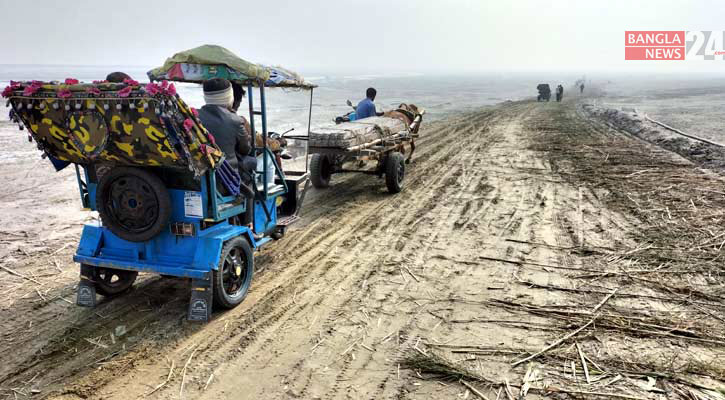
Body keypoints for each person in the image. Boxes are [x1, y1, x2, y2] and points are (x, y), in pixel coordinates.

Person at [197, 78, 256, 201]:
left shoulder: (193, 117)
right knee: (253, 161)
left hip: (199, 176)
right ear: (229, 97)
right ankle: (247, 219)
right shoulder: (235, 120)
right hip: (225, 180)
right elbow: (245, 149)